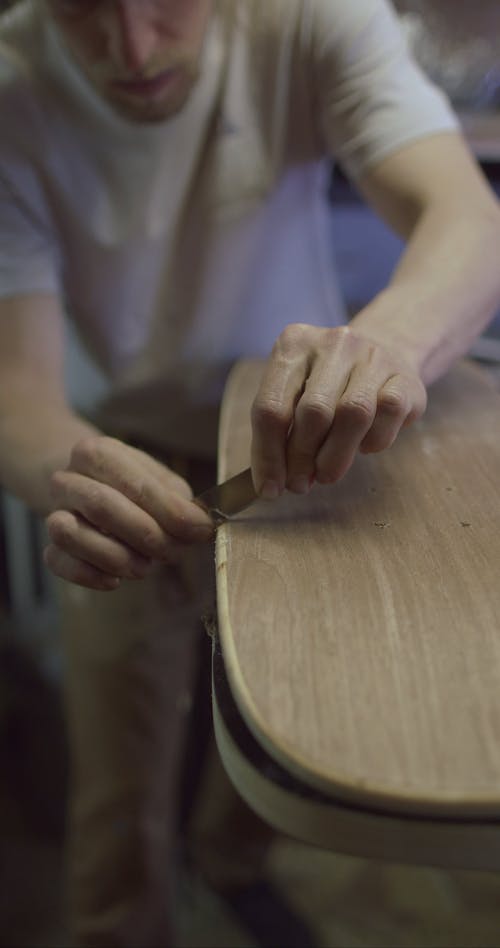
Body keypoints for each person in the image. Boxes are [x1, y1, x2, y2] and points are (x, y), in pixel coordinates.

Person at [1, 0, 499, 944]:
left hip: (299, 461)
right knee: (117, 787)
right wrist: (64, 473)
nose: (133, 49)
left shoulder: (310, 20)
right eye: (82, 11)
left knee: (276, 730)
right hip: (116, 452)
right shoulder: (11, 93)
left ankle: (231, 869)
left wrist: (387, 345)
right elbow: (16, 386)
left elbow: (465, 215)